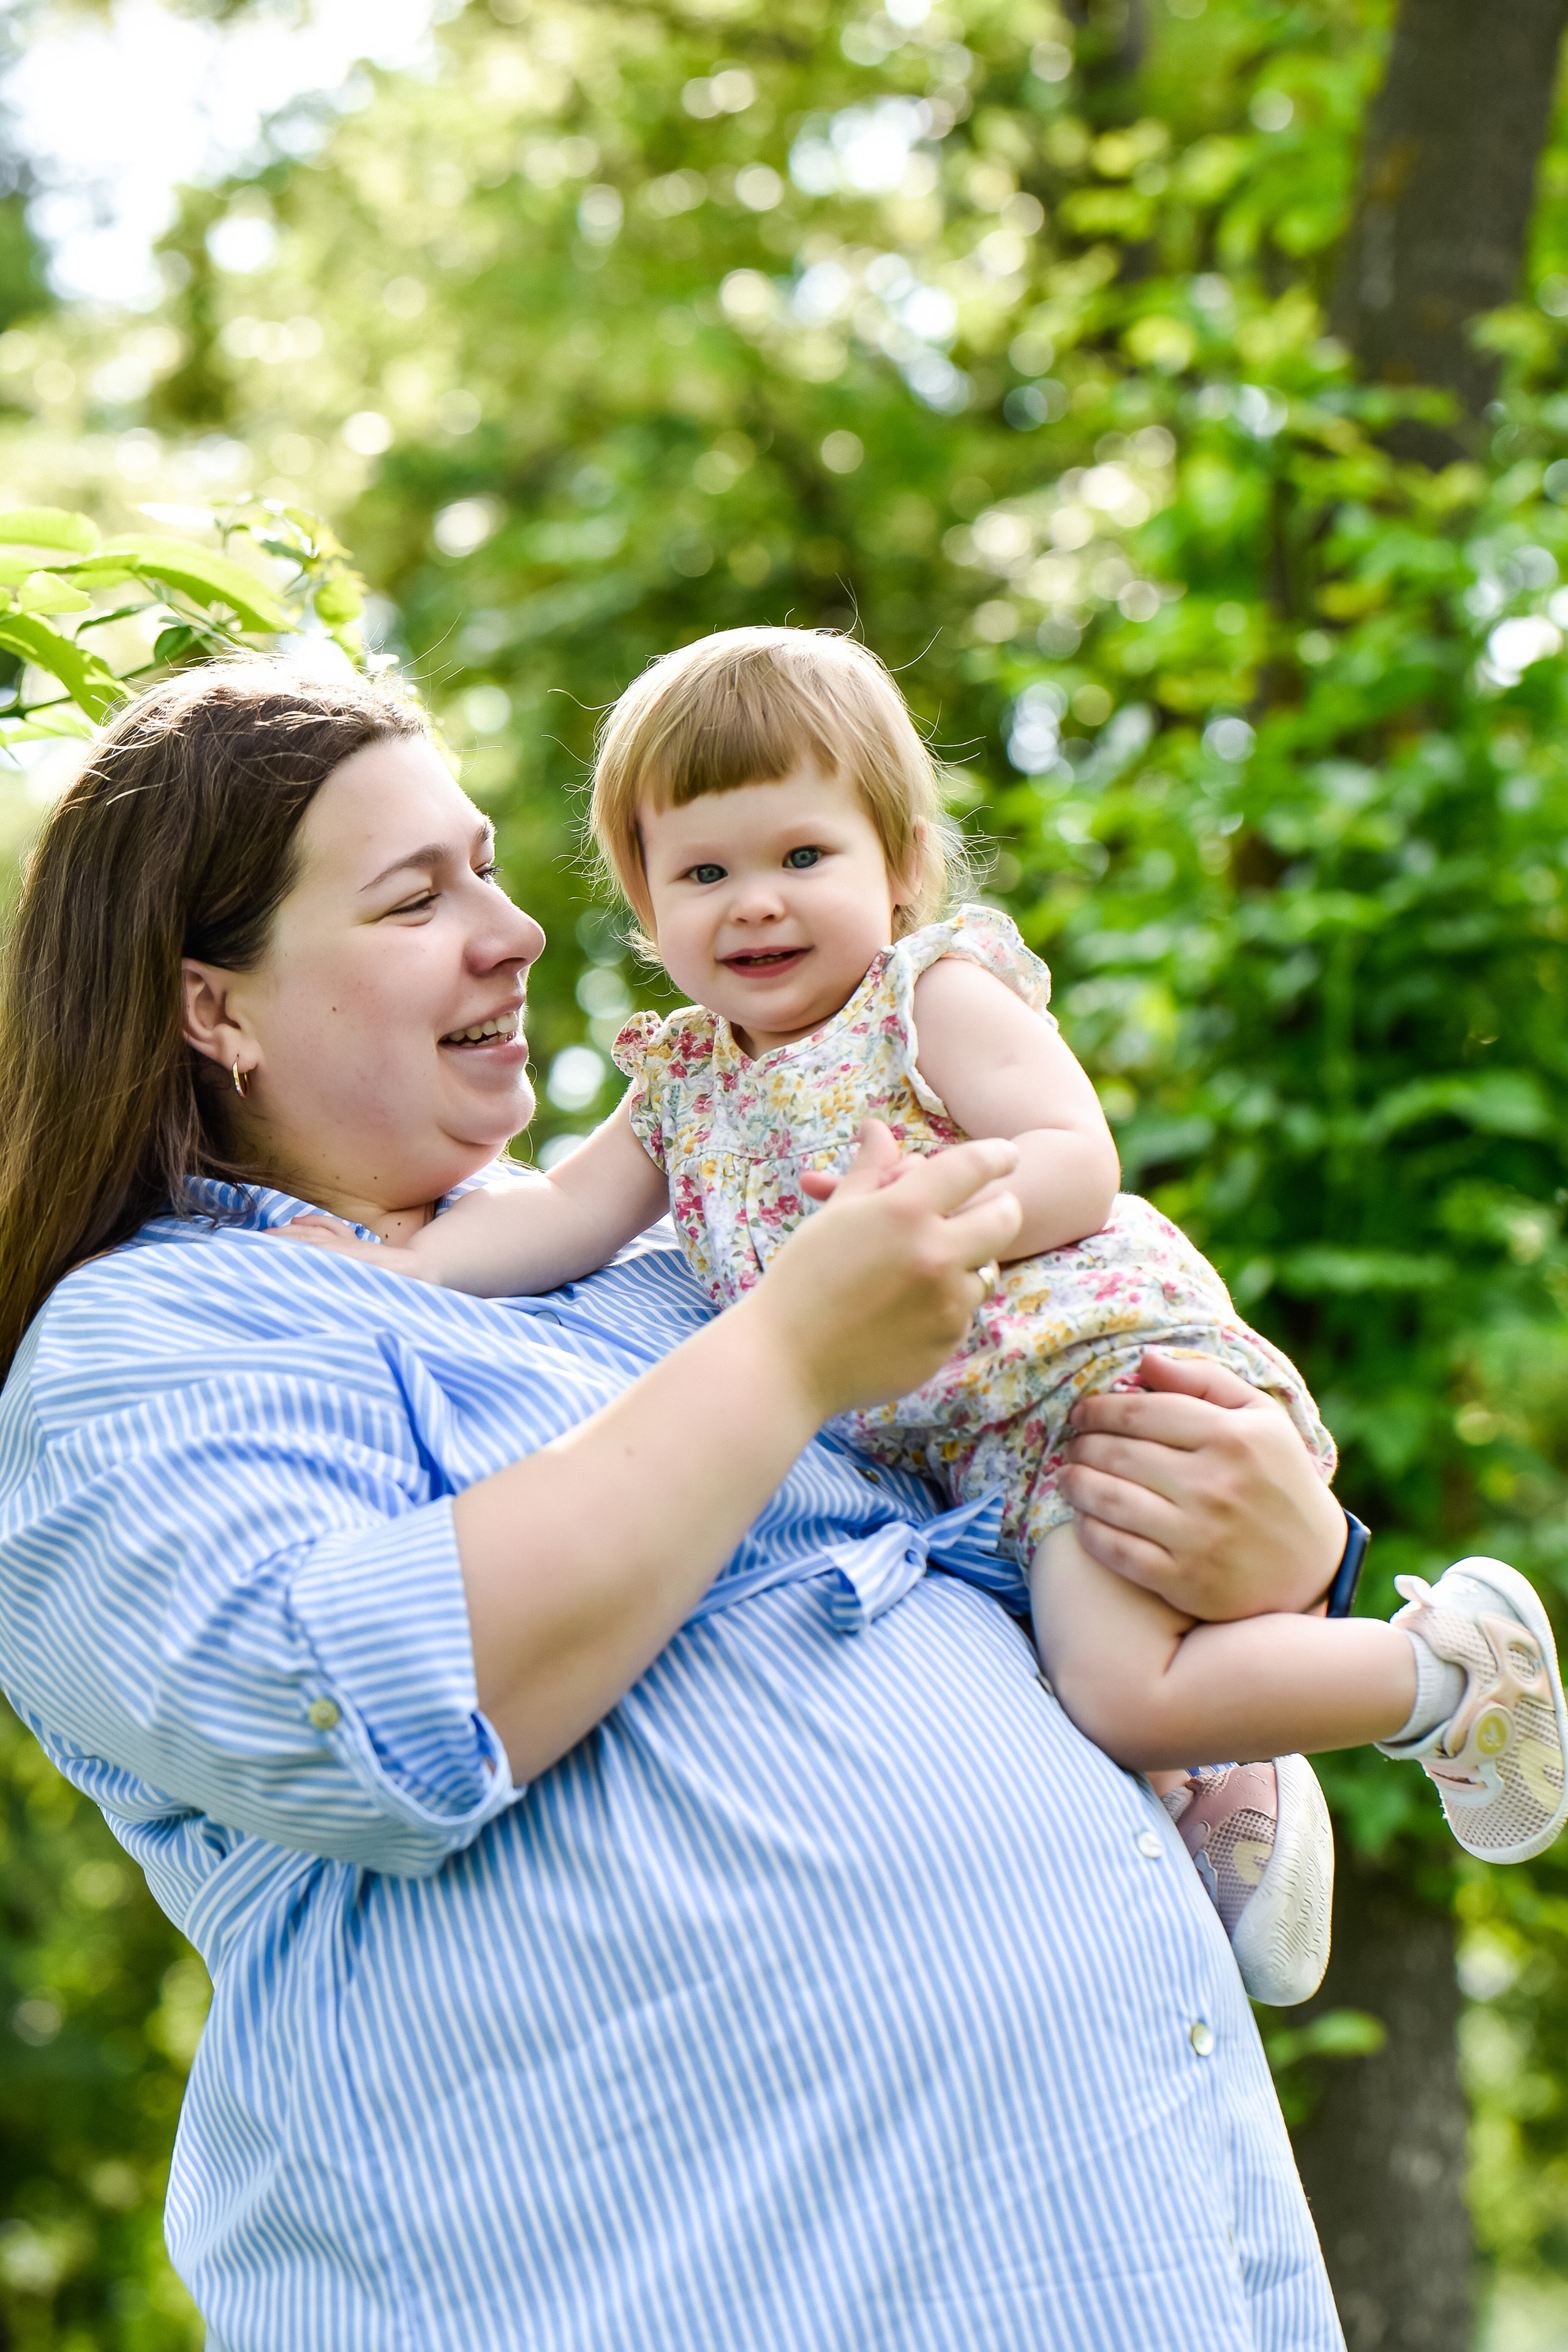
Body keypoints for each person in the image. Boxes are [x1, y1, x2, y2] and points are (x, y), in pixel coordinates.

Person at [0, 660, 1456, 2349]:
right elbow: (356, 1710)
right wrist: (786, 1353)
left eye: (489, 862)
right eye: (419, 896)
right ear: (214, 1009)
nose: (520, 929)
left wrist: (1288, 1556)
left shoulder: (664, 1260)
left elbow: (1004, 1514)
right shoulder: (140, 1345)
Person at [290, 627, 1568, 2011]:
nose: (755, 906)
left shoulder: (925, 996)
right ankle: (1230, 1779)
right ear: (645, 911)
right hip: (973, 1456)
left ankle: (1439, 1673)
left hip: (1090, 1377)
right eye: (702, 874)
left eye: (800, 858)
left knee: (1116, 1691)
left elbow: (1077, 1157)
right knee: (1095, 1676)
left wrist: (929, 1215)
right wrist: (387, 1274)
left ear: (895, 864)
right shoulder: (679, 1087)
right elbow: (558, 1222)